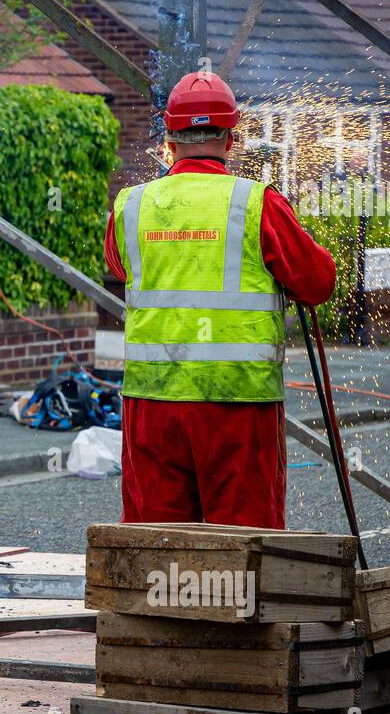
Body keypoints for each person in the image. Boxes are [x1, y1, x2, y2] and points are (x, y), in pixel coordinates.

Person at [103, 71, 336, 528]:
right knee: (244, 546)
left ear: (169, 140)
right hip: (237, 402)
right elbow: (318, 282)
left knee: (157, 547)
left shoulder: (131, 205)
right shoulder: (257, 203)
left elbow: (121, 267)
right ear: (232, 139)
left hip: (153, 403)